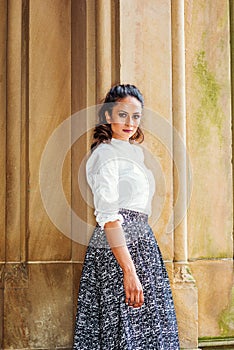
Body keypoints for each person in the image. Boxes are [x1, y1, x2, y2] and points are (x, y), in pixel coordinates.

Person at [73, 84, 180, 349]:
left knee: (152, 331)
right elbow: (109, 217)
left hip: (143, 246)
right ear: (108, 116)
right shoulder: (105, 154)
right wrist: (128, 271)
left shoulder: (135, 153)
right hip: (118, 250)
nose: (130, 122)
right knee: (125, 329)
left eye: (136, 116)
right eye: (123, 114)